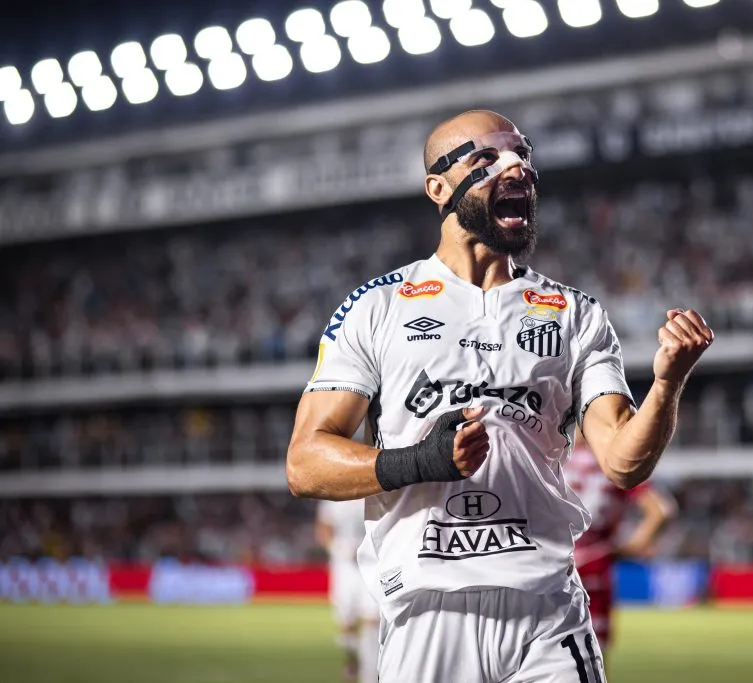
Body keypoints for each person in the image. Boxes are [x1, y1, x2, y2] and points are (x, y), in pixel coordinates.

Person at [286, 109, 713, 683]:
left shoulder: (576, 314)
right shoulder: (376, 307)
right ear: (438, 188)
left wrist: (668, 382)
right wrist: (421, 461)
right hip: (428, 609)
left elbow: (623, 462)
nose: (517, 168)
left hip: (549, 607)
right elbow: (305, 463)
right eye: (485, 158)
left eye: (523, 156)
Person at [565, 428, 677, 651]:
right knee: (592, 656)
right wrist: (630, 549)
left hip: (546, 566)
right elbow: (661, 511)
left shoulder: (546, 456)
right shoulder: (613, 461)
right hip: (594, 565)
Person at [315, 498, 380, 683]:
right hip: (344, 567)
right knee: (347, 623)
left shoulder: (372, 490)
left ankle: (370, 675)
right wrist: (336, 547)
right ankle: (352, 658)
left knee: (372, 621)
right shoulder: (333, 497)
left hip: (370, 564)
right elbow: (323, 528)